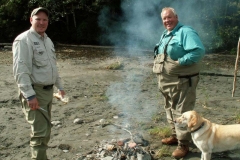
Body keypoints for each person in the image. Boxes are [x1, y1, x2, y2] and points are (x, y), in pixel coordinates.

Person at [12, 7, 65, 160]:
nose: (42, 22)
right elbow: (21, 71)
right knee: (40, 133)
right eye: (38, 19)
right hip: (35, 93)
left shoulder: (47, 40)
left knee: (45, 130)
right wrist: (29, 96)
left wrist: (60, 87)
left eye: (45, 20)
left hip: (48, 93)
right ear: (31, 20)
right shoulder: (23, 40)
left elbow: (53, 67)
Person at [154, 7, 205, 159]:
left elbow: (198, 51)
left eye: (169, 17)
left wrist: (182, 60)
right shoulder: (166, 34)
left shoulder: (186, 31)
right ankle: (176, 135)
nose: (167, 21)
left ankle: (184, 144)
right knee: (169, 108)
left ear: (176, 17)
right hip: (167, 81)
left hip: (182, 81)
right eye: (164, 19)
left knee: (182, 112)